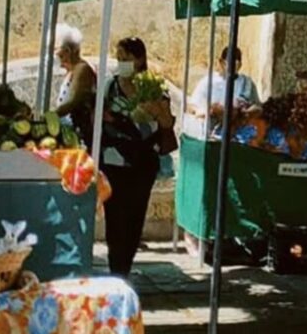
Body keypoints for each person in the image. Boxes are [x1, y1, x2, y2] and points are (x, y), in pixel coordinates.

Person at [101, 37, 174, 277]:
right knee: (115, 217)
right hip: (113, 161)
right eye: (119, 58)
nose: (122, 62)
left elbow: (166, 122)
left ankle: (125, 267)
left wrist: (156, 108)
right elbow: (97, 116)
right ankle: (115, 268)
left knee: (134, 216)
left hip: (143, 162)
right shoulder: (110, 87)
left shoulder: (153, 87)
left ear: (140, 59)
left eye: (127, 58)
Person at [188, 46, 260, 126]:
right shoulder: (209, 81)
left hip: (238, 129)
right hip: (211, 129)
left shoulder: (246, 83)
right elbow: (192, 105)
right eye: (231, 61)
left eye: (237, 62)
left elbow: (258, 107)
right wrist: (205, 112)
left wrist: (246, 113)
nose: (235, 65)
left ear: (240, 65)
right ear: (221, 62)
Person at [54, 24, 97, 146]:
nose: (55, 54)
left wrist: (50, 117)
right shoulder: (71, 71)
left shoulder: (82, 69)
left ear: (67, 51)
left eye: (56, 50)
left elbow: (73, 102)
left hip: (78, 134)